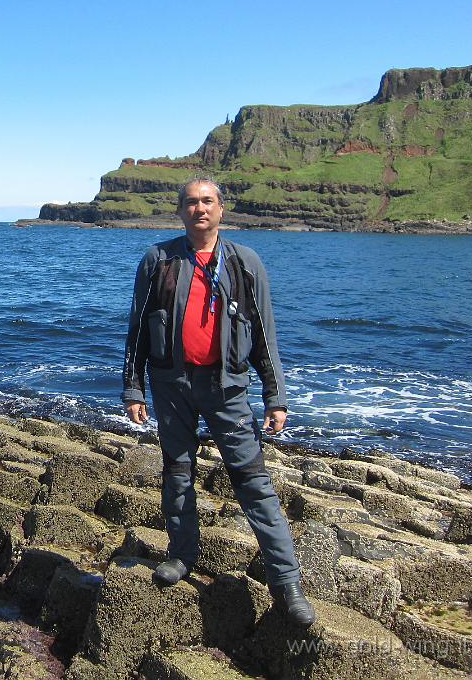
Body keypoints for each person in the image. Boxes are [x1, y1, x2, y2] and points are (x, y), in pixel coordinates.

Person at [121, 177, 315, 627]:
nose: (199, 209)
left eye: (207, 201)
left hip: (227, 389)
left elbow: (265, 334)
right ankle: (181, 555)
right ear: (180, 211)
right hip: (170, 386)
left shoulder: (245, 263)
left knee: (253, 484)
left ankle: (286, 584)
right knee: (177, 473)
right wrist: (133, 389)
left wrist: (275, 396)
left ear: (221, 210)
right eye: (191, 202)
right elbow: (136, 332)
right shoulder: (158, 260)